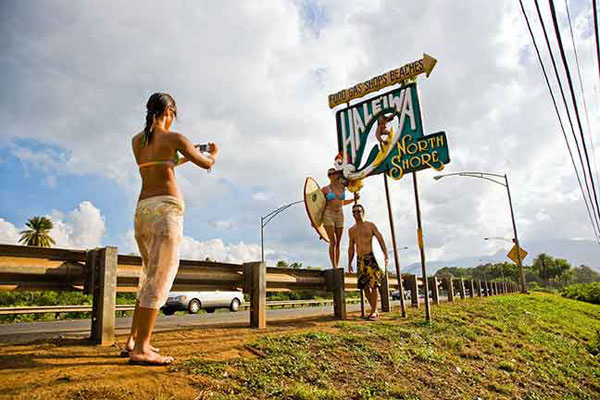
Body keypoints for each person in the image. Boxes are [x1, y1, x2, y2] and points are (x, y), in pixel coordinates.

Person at [126, 92, 219, 365]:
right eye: (175, 114)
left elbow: (164, 162)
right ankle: (142, 348)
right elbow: (207, 164)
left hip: (142, 211)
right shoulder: (176, 139)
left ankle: (132, 340)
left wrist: (184, 157)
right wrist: (213, 154)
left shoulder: (136, 141)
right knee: (161, 277)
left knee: (148, 277)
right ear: (169, 111)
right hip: (165, 211)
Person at [347, 204, 388, 320]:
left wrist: (385, 255)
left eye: (358, 211)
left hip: (372, 257)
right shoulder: (351, 230)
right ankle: (374, 309)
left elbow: (380, 239)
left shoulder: (370, 225)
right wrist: (349, 262)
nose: (356, 214)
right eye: (354, 212)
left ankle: (374, 312)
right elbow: (351, 247)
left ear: (363, 212)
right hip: (360, 260)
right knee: (364, 287)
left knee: (374, 285)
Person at [322, 168, 356, 268]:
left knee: (339, 242)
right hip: (328, 213)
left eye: (334, 173)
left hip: (340, 214)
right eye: (330, 174)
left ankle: (337, 264)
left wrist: (354, 199)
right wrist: (315, 221)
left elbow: (342, 202)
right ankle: (334, 266)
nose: (333, 175)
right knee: (333, 241)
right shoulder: (325, 189)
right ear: (329, 176)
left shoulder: (342, 187)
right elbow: (318, 204)